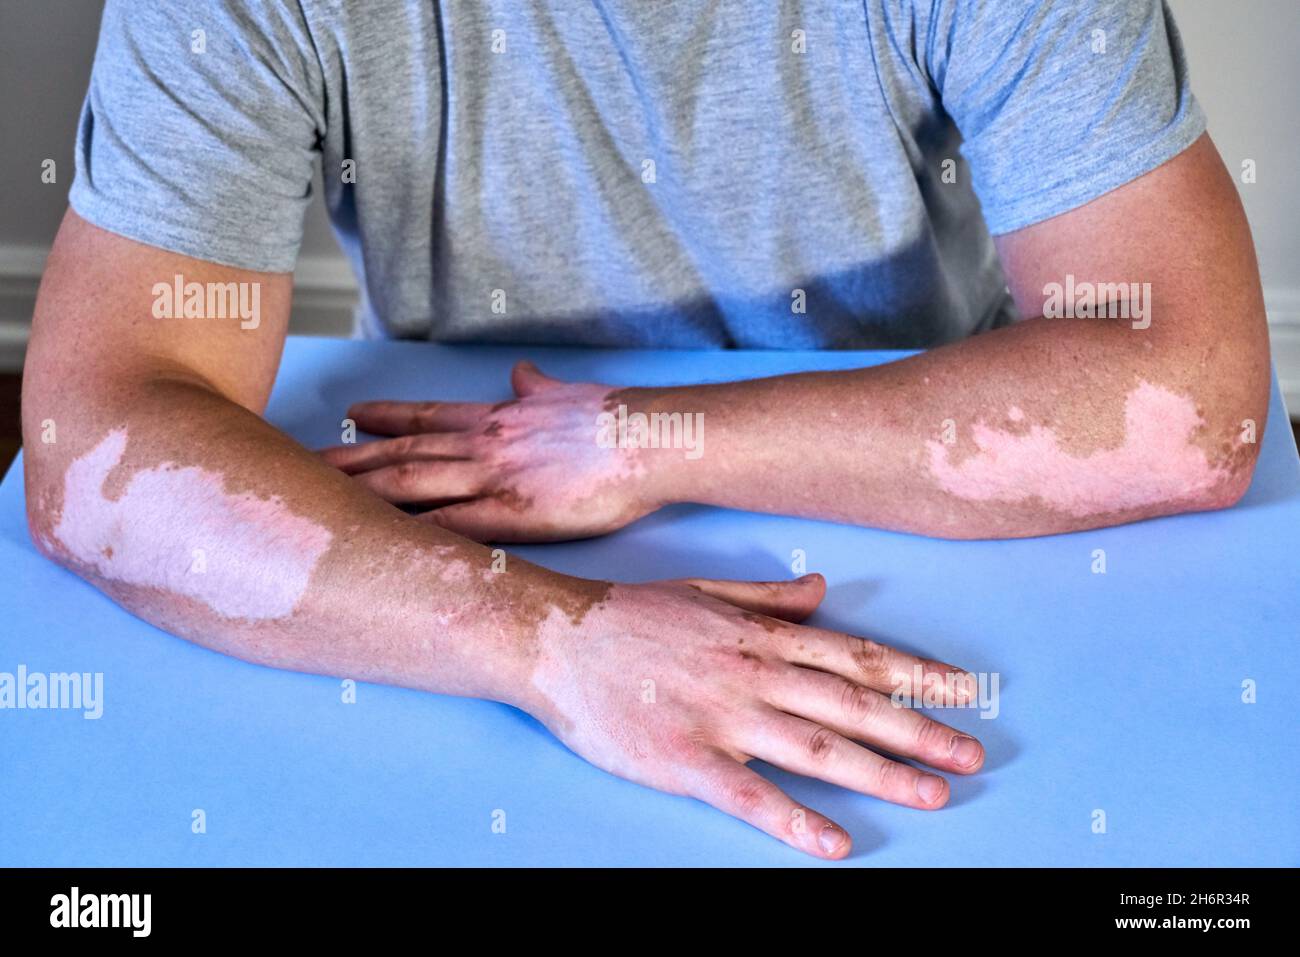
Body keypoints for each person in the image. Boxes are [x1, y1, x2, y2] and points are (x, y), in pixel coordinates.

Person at [22, 0, 1269, 859]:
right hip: (473, 484)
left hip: (938, 481)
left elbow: (1187, 398)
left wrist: (645, 441)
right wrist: (542, 638)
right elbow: (98, 431)